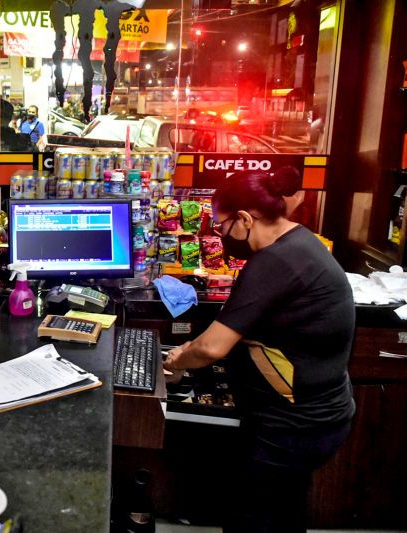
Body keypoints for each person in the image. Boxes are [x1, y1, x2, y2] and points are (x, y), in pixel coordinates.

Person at [163, 167, 355, 532]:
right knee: (282, 512)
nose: (220, 236)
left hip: (294, 425)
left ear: (246, 219)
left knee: (248, 519)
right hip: (319, 416)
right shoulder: (300, 241)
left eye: (221, 227)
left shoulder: (274, 262)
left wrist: (179, 361)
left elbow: (213, 348)